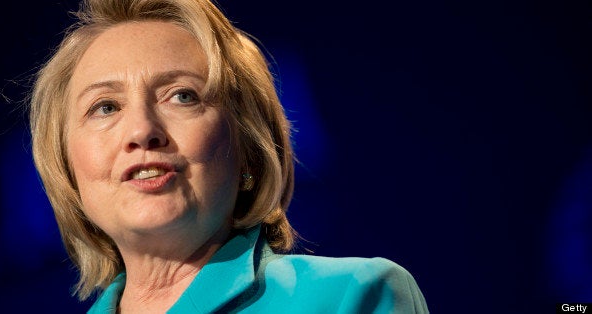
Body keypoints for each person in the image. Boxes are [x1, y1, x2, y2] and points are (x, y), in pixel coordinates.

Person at [28, 0, 429, 312]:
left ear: (249, 150)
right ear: (67, 167)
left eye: (182, 96)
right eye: (105, 107)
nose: (141, 131)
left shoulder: (349, 297)